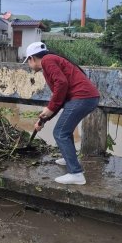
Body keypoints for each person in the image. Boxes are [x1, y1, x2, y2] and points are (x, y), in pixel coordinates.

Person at [23, 42, 100, 185]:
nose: (28, 64)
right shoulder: (50, 62)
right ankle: (68, 157)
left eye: (27, 60)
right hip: (85, 98)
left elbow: (61, 84)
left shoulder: (47, 60)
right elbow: (60, 97)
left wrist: (50, 108)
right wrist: (43, 119)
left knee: (60, 132)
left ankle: (76, 174)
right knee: (66, 129)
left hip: (82, 98)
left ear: (32, 58)